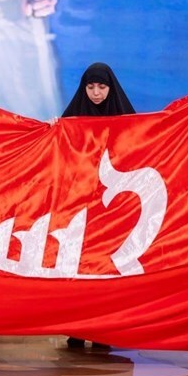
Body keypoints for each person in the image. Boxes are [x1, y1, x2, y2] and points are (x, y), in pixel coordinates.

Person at [61, 62, 134, 348]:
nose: (95, 93)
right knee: (79, 270)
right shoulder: (73, 118)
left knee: (107, 271)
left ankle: (104, 330)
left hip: (112, 209)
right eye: (90, 87)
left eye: (101, 87)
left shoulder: (128, 122)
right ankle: (77, 329)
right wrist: (54, 131)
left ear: (111, 88)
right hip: (80, 209)